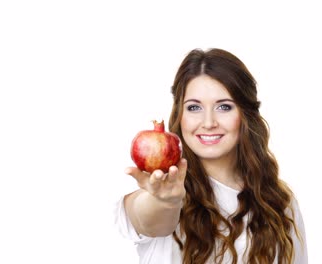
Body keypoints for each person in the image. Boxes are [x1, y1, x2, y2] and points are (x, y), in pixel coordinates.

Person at [114, 48, 308, 264]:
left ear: (245, 114)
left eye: (224, 107)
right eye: (194, 107)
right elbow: (151, 218)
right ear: (180, 115)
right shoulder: (163, 190)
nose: (208, 122)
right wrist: (165, 202)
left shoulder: (280, 200)